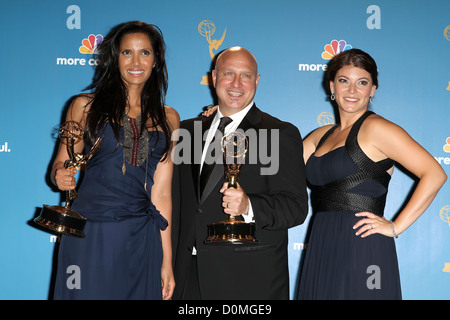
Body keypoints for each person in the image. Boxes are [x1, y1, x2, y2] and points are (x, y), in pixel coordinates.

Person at [297, 48, 447, 299]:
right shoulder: (318, 136)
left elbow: (435, 173)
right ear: (332, 86)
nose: (352, 91)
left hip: (362, 244)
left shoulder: (377, 128)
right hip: (323, 242)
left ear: (373, 90)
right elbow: (278, 171)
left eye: (362, 82)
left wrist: (395, 227)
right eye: (344, 81)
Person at [51, 21, 178, 299]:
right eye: (126, 53)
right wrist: (61, 174)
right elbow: (61, 165)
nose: (136, 61)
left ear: (155, 60)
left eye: (144, 53)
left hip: (142, 237)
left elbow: (163, 192)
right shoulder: (84, 106)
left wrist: (167, 261)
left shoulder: (169, 118)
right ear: (114, 58)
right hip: (90, 232)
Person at [171, 46, 308, 300]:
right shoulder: (186, 132)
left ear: (257, 81)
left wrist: (249, 205)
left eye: (245, 75)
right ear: (213, 78)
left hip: (248, 281)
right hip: (186, 279)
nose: (236, 84)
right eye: (228, 74)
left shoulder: (279, 134)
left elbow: (296, 207)